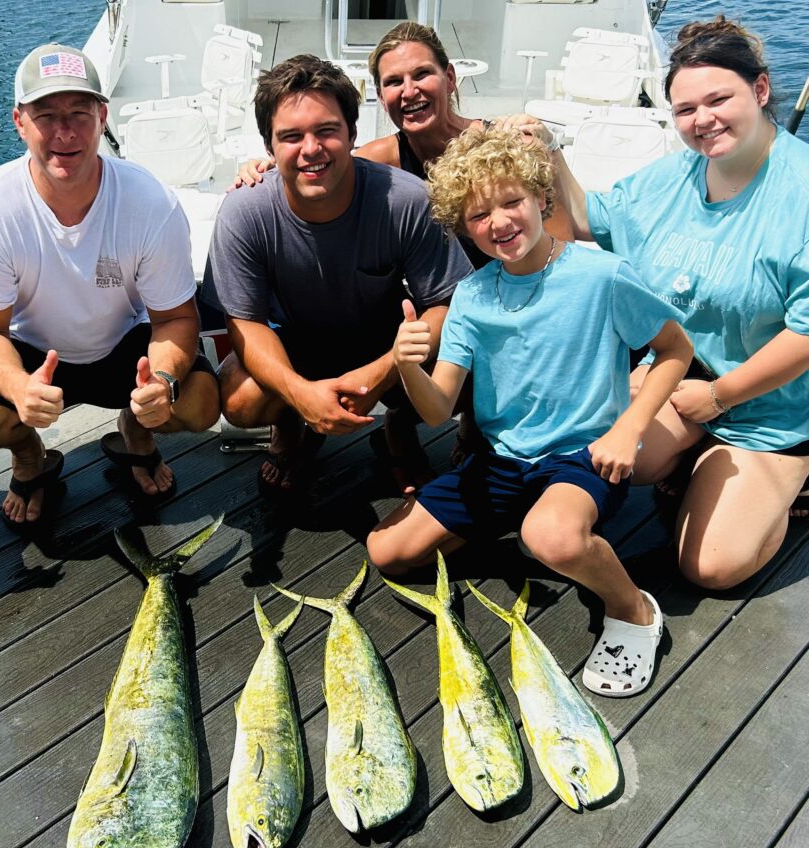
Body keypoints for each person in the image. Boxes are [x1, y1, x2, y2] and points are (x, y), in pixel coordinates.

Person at [367, 128, 693, 697]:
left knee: (553, 538)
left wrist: (629, 428)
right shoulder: (472, 294)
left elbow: (675, 351)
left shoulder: (602, 276)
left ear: (543, 198)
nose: (498, 223)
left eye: (511, 201)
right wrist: (407, 365)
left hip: (583, 456)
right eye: (477, 215)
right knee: (388, 552)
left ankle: (635, 609)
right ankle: (520, 519)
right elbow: (440, 406)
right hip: (500, 461)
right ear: (461, 225)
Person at [508, 17, 809, 590]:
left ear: (762, 90)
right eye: (686, 109)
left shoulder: (801, 193)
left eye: (719, 99)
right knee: (610, 455)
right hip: (678, 378)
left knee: (711, 568)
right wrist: (550, 155)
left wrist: (721, 396)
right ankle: (694, 466)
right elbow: (581, 222)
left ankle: (794, 474)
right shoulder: (674, 176)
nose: (703, 121)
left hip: (769, 406)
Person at [0, 43, 220, 528]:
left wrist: (161, 382)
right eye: (46, 114)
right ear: (19, 122)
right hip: (33, 355)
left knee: (198, 403)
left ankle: (137, 427)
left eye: (79, 112)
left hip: (126, 350)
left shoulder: (150, 200)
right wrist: (18, 386)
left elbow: (176, 318)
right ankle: (29, 453)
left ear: (102, 116)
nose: (65, 131)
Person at [201, 54, 472, 501]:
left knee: (468, 376)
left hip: (386, 344)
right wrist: (301, 393)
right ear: (269, 148)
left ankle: (399, 426)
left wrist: (386, 371)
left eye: (326, 130)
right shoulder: (244, 212)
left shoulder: (406, 201)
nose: (311, 149)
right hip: (297, 346)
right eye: (291, 137)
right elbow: (244, 323)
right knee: (239, 399)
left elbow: (448, 304)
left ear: (352, 133)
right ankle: (290, 423)